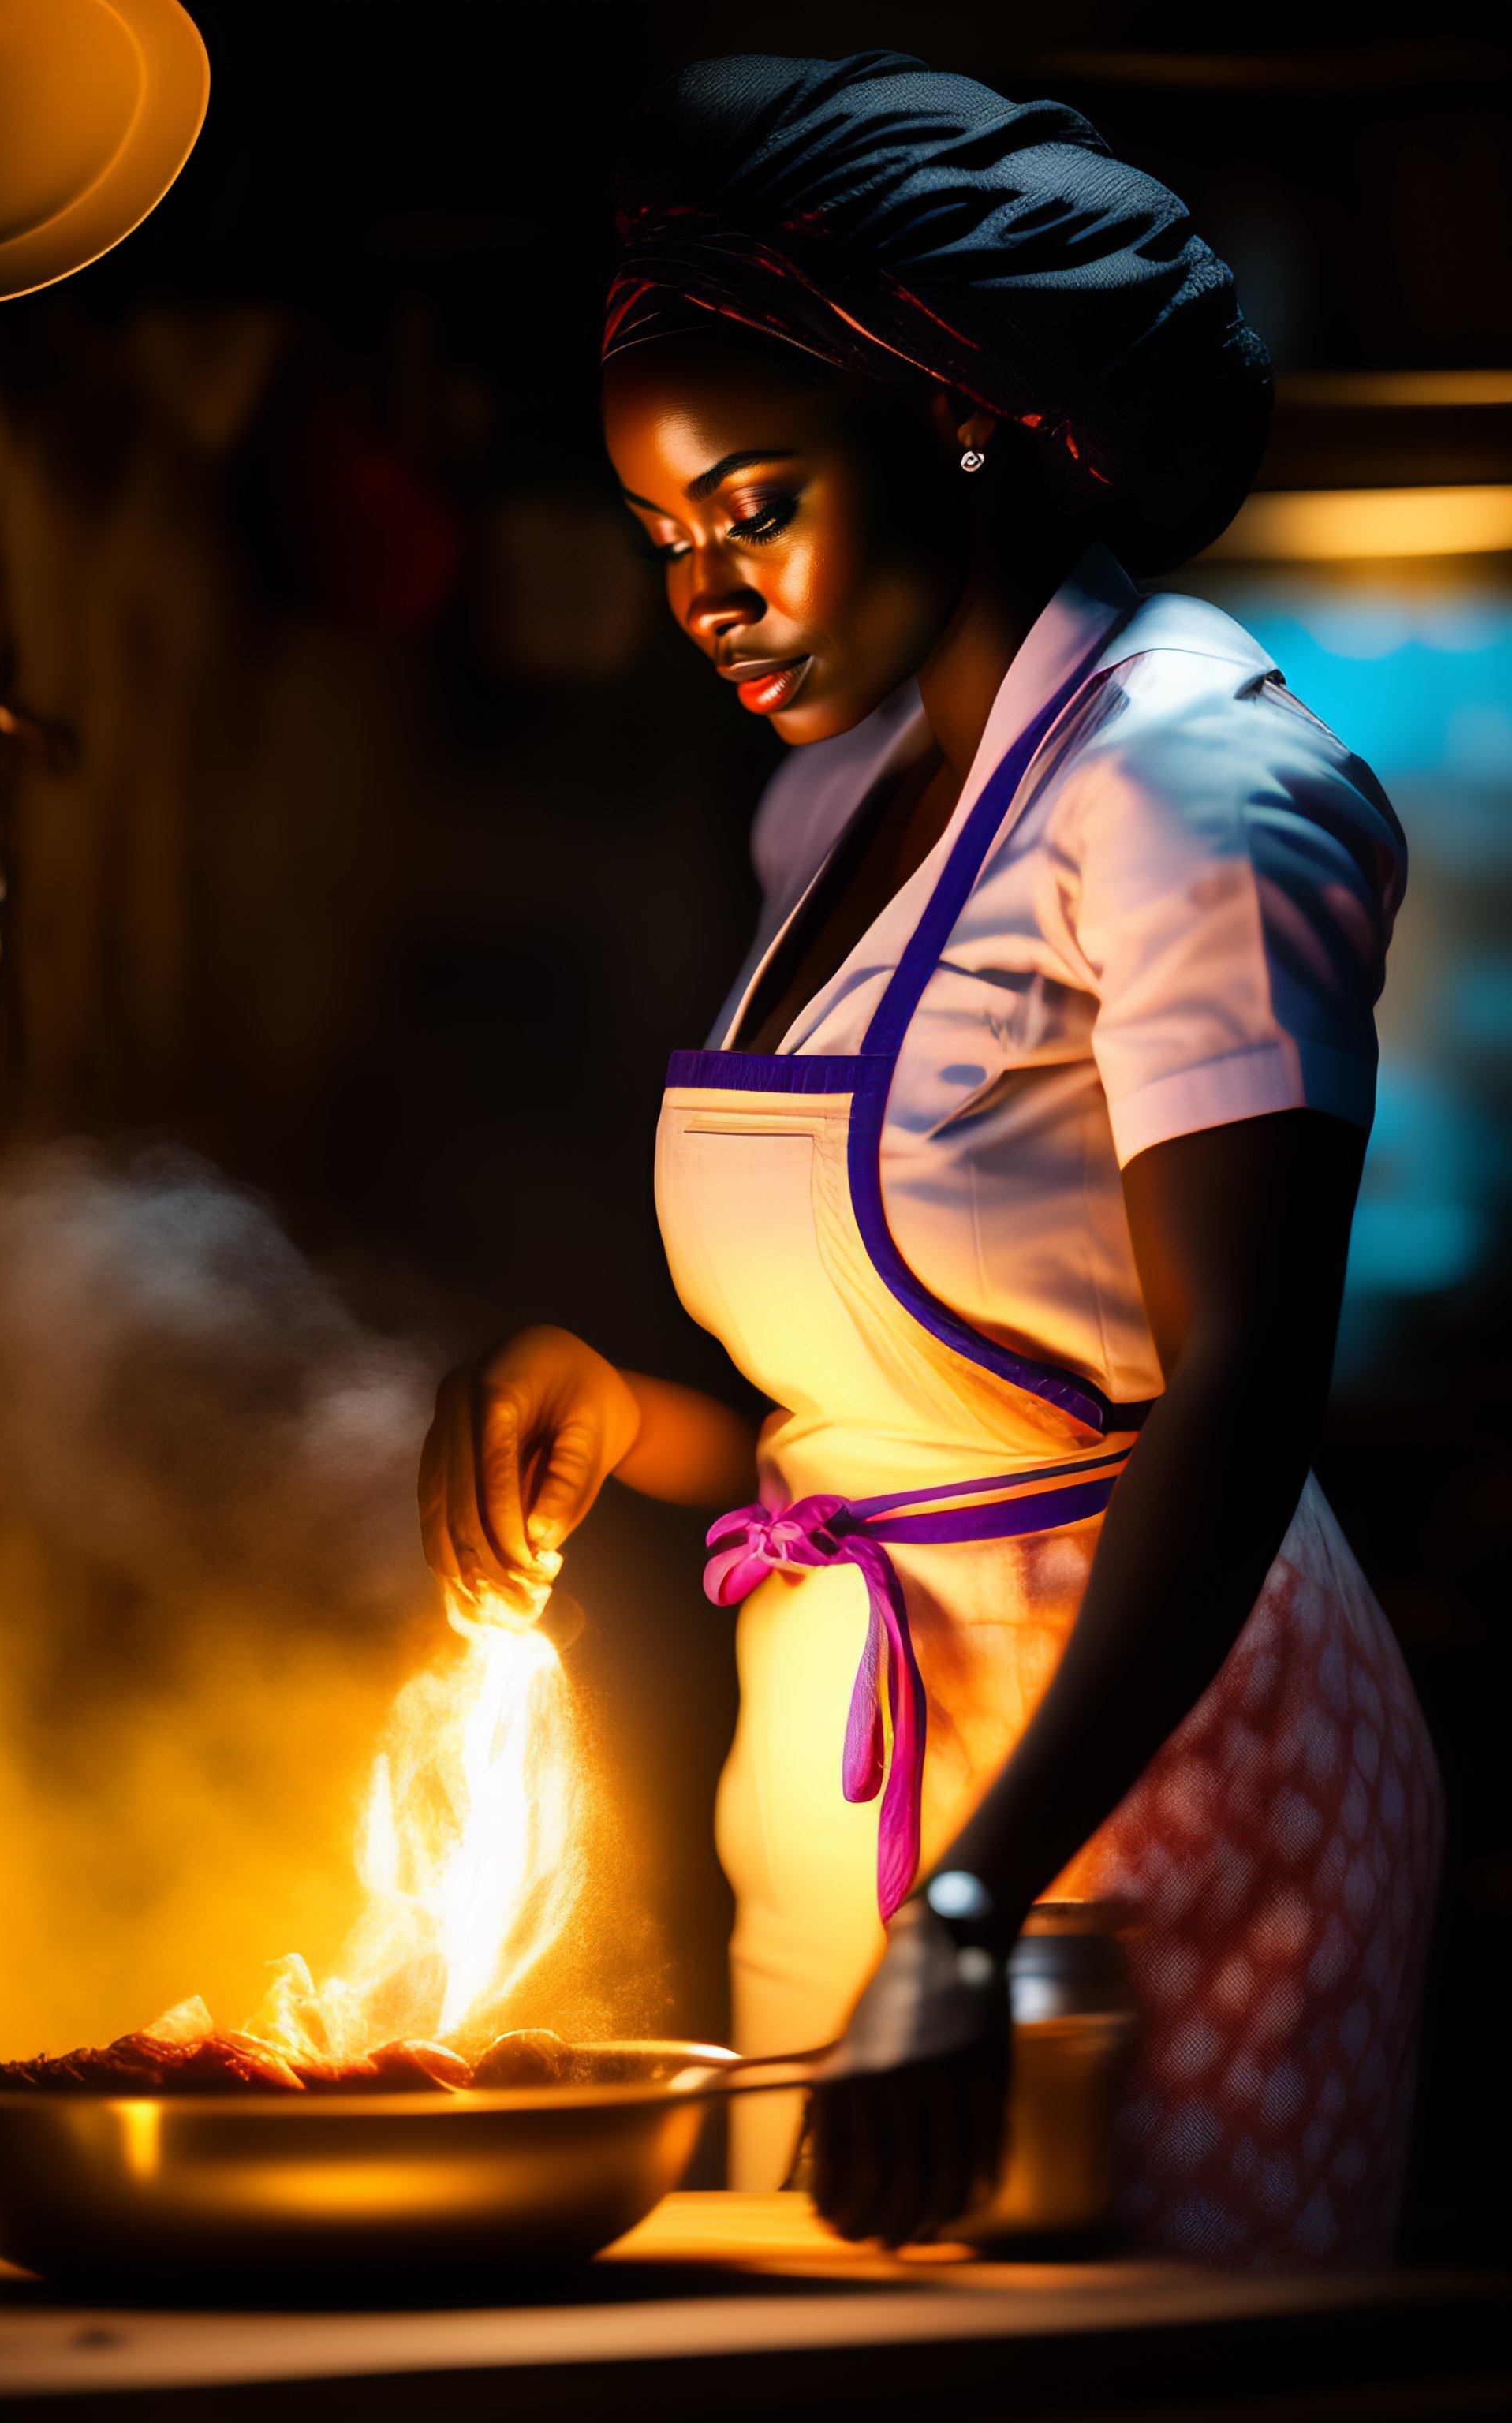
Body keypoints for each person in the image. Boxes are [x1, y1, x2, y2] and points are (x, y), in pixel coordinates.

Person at [420, 53, 1441, 2265]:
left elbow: (1240, 1387)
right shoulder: (844, 813)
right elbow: (912, 1413)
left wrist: (985, 1903)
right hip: (848, 1795)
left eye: (755, 505)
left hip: (1145, 1827)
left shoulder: (1189, 792)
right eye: (667, 536)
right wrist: (636, 1416)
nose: (708, 591)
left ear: (959, 414)